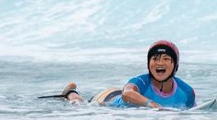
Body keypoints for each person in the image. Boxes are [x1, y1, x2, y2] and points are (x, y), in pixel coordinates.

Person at [61, 40, 196, 110]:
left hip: (124, 101)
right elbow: (127, 94)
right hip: (108, 101)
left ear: (175, 65)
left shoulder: (186, 91)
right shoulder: (142, 81)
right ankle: (70, 92)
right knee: (80, 104)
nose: (159, 63)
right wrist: (153, 105)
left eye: (166, 59)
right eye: (154, 59)